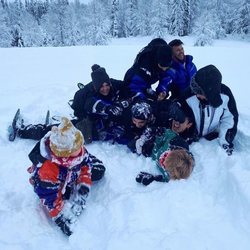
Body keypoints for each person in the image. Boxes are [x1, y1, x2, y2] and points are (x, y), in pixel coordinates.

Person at [27, 117, 106, 236]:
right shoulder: (49, 169)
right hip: (52, 181)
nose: (81, 150)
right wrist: (59, 216)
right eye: (76, 150)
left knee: (98, 170)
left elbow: (85, 165)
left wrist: (83, 186)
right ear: (64, 156)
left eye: (80, 147)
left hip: (70, 170)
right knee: (62, 195)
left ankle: (71, 180)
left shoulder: (78, 150)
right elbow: (49, 197)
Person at [12, 64, 128, 144]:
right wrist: (107, 108)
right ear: (96, 86)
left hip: (106, 124)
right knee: (59, 132)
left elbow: (128, 88)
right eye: (101, 86)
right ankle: (23, 131)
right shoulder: (89, 93)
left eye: (107, 84)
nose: (105, 88)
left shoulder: (113, 84)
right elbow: (90, 104)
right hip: (89, 122)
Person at [179, 64, 239, 155]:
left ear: (209, 93)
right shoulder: (187, 96)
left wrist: (225, 140)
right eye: (195, 91)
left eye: (199, 92)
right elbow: (180, 117)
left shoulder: (225, 95)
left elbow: (229, 118)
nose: (196, 94)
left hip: (212, 139)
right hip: (192, 139)